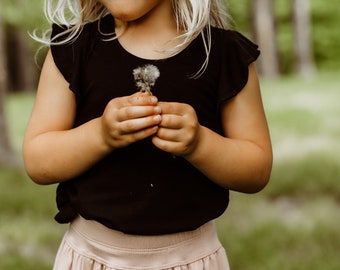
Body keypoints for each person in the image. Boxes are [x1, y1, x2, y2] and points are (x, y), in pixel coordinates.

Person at [23, 0, 273, 269]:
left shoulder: (225, 55)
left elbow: (256, 170)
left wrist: (200, 144)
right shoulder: (73, 49)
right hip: (93, 256)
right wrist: (100, 135)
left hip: (190, 258)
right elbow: (38, 161)